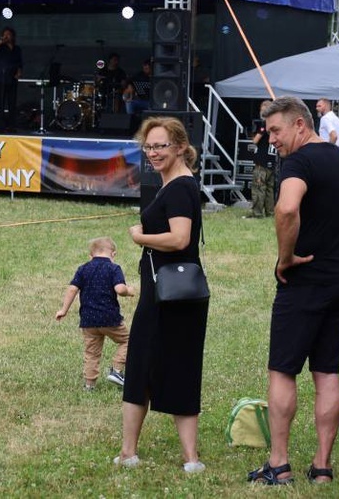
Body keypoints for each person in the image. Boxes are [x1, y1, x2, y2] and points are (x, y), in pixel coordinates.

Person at [247, 96, 339, 485]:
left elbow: (287, 209)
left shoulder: (298, 162)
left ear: (299, 125)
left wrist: (285, 257)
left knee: (283, 370)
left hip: (305, 283)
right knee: (327, 371)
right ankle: (322, 467)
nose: (271, 139)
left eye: (276, 130)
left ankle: (279, 464)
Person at [114, 117, 209, 473]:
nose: (152, 153)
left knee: (147, 366)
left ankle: (139, 453)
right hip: (170, 291)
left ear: (180, 147)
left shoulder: (181, 187)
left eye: (160, 146)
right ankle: (181, 458)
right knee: (172, 366)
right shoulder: (174, 184)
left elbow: (180, 238)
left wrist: (140, 238)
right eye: (148, 146)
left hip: (170, 293)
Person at [55, 236, 135, 391]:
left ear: (90, 256)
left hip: (88, 320)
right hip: (110, 318)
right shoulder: (114, 268)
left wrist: (63, 310)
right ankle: (117, 371)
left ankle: (89, 385)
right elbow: (119, 289)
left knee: (91, 353)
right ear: (113, 254)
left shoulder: (83, 268)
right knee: (128, 340)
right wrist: (129, 291)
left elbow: (72, 289)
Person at [245, 100, 276, 218]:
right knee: (269, 189)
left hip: (261, 161)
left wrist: (255, 135)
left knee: (258, 187)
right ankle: (270, 212)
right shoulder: (276, 125)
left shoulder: (265, 124)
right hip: (272, 161)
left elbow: (255, 140)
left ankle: (257, 213)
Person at [0, 26, 23, 130]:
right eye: (5, 35)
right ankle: (0, 125)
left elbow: (19, 63)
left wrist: (19, 72)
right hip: (1, 79)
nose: (7, 36)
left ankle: (11, 125)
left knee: (12, 103)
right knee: (0, 103)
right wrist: (0, 41)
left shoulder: (17, 49)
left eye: (8, 34)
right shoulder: (0, 47)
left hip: (12, 78)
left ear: (13, 36)